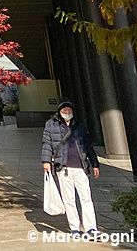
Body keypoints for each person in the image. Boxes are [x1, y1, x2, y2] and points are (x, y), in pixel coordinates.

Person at [41, 99, 100, 238]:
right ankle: (74, 228)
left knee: (86, 198)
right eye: (64, 110)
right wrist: (46, 161)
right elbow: (47, 144)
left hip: (81, 167)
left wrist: (95, 164)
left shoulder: (79, 125)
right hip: (64, 168)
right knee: (69, 199)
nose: (67, 112)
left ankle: (91, 227)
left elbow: (88, 146)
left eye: (69, 110)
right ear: (59, 111)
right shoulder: (51, 125)